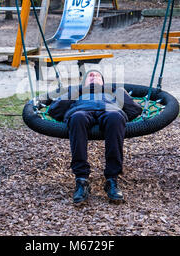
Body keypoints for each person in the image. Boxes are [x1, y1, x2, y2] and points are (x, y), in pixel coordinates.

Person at [48, 70, 143, 204]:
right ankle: (81, 180)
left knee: (115, 118)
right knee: (77, 118)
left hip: (110, 110)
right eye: (90, 76)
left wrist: (117, 91)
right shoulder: (76, 91)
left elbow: (134, 109)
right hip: (81, 111)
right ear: (84, 82)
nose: (94, 77)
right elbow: (54, 110)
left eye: (97, 76)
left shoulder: (112, 92)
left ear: (103, 82)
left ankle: (112, 180)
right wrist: (76, 90)